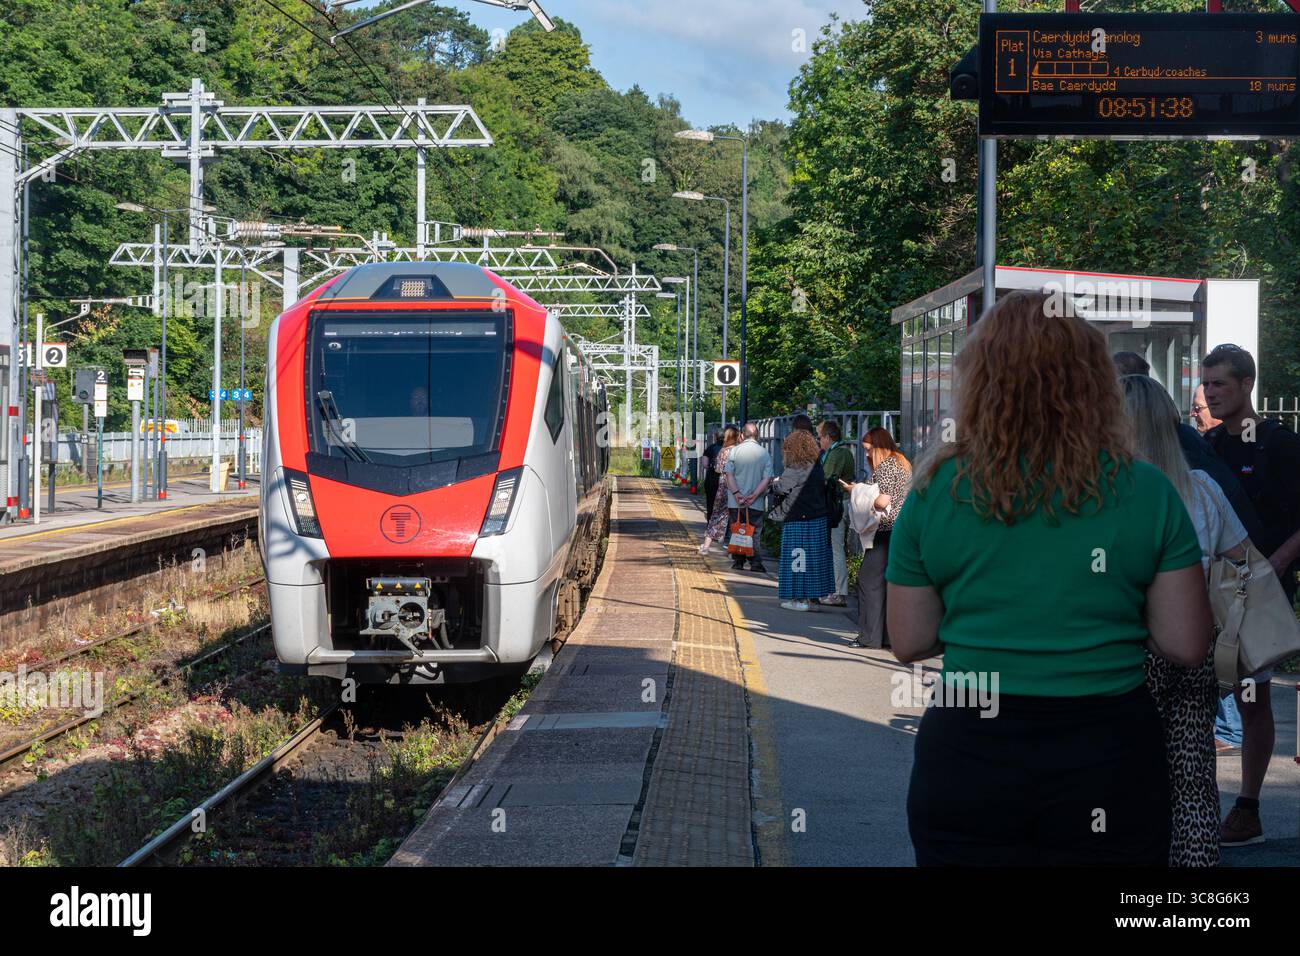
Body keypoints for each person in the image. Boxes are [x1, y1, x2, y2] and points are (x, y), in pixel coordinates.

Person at [889, 290, 1211, 866]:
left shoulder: (934, 491)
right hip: (1107, 750)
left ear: (980, 380)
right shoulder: (1147, 490)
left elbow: (910, 642)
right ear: (1093, 380)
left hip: (970, 750)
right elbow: (1186, 644)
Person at [1122, 374, 1256, 867]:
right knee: (1193, 774)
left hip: (1129, 650)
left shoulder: (1109, 493)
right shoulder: (1200, 487)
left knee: (1127, 771)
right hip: (1197, 642)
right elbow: (1243, 558)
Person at [1202, 343, 1300, 847]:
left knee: (1252, 701)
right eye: (1207, 382)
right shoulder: (1210, 444)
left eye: (1220, 383)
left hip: (1259, 599)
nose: (1209, 391)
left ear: (1246, 385)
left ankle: (1248, 808)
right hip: (1211, 596)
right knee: (1198, 699)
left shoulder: (1281, 443)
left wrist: (1275, 564)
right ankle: (1191, 804)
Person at [842, 427, 910, 649]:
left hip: (886, 530)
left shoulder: (887, 466)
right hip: (903, 530)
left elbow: (882, 501)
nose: (867, 455)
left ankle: (869, 636)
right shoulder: (903, 463)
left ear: (879, 447)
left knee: (868, 581)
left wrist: (857, 492)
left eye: (869, 450)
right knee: (889, 583)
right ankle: (889, 637)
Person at [768, 429, 835, 611]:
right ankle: (813, 599)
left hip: (797, 518)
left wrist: (773, 483)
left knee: (796, 559)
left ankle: (799, 599)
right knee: (815, 559)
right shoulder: (817, 465)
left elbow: (782, 487)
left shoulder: (795, 467)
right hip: (819, 518)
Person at [723, 423, 774, 573]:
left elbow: (729, 475)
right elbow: (767, 478)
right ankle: (755, 563)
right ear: (756, 435)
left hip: (735, 501)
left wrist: (737, 494)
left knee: (737, 529)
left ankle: (738, 561)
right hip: (755, 502)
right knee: (754, 532)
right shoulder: (764, 453)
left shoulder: (734, 451)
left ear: (742, 435)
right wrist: (753, 496)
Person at [817, 420, 856, 608]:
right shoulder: (844, 451)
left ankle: (838, 592)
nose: (819, 442)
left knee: (835, 547)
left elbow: (826, 478)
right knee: (836, 547)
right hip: (841, 503)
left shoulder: (836, 454)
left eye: (820, 437)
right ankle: (835, 590)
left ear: (828, 437)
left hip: (836, 505)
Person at [700, 427, 740, 554]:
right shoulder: (739, 451)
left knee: (715, 513)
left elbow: (714, 467)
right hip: (738, 486)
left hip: (721, 485)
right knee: (736, 515)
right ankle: (731, 544)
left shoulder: (721, 450)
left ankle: (706, 547)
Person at [700, 429, 724, 527]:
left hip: (711, 480)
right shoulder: (729, 449)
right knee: (723, 505)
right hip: (724, 480)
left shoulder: (710, 448)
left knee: (711, 503)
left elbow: (705, 464)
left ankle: (710, 524)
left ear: (715, 437)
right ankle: (722, 526)